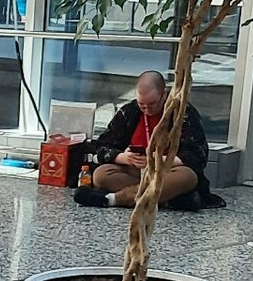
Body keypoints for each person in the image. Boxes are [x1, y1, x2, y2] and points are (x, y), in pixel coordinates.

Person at [74, 69, 215, 209]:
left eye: (152, 104)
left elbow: (197, 156)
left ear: (164, 95)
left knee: (187, 177)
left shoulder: (183, 113)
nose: (147, 109)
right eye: (142, 105)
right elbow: (102, 146)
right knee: (101, 175)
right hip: (136, 170)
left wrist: (158, 160)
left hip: (168, 171)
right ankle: (168, 198)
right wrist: (124, 157)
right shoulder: (129, 111)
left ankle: (115, 199)